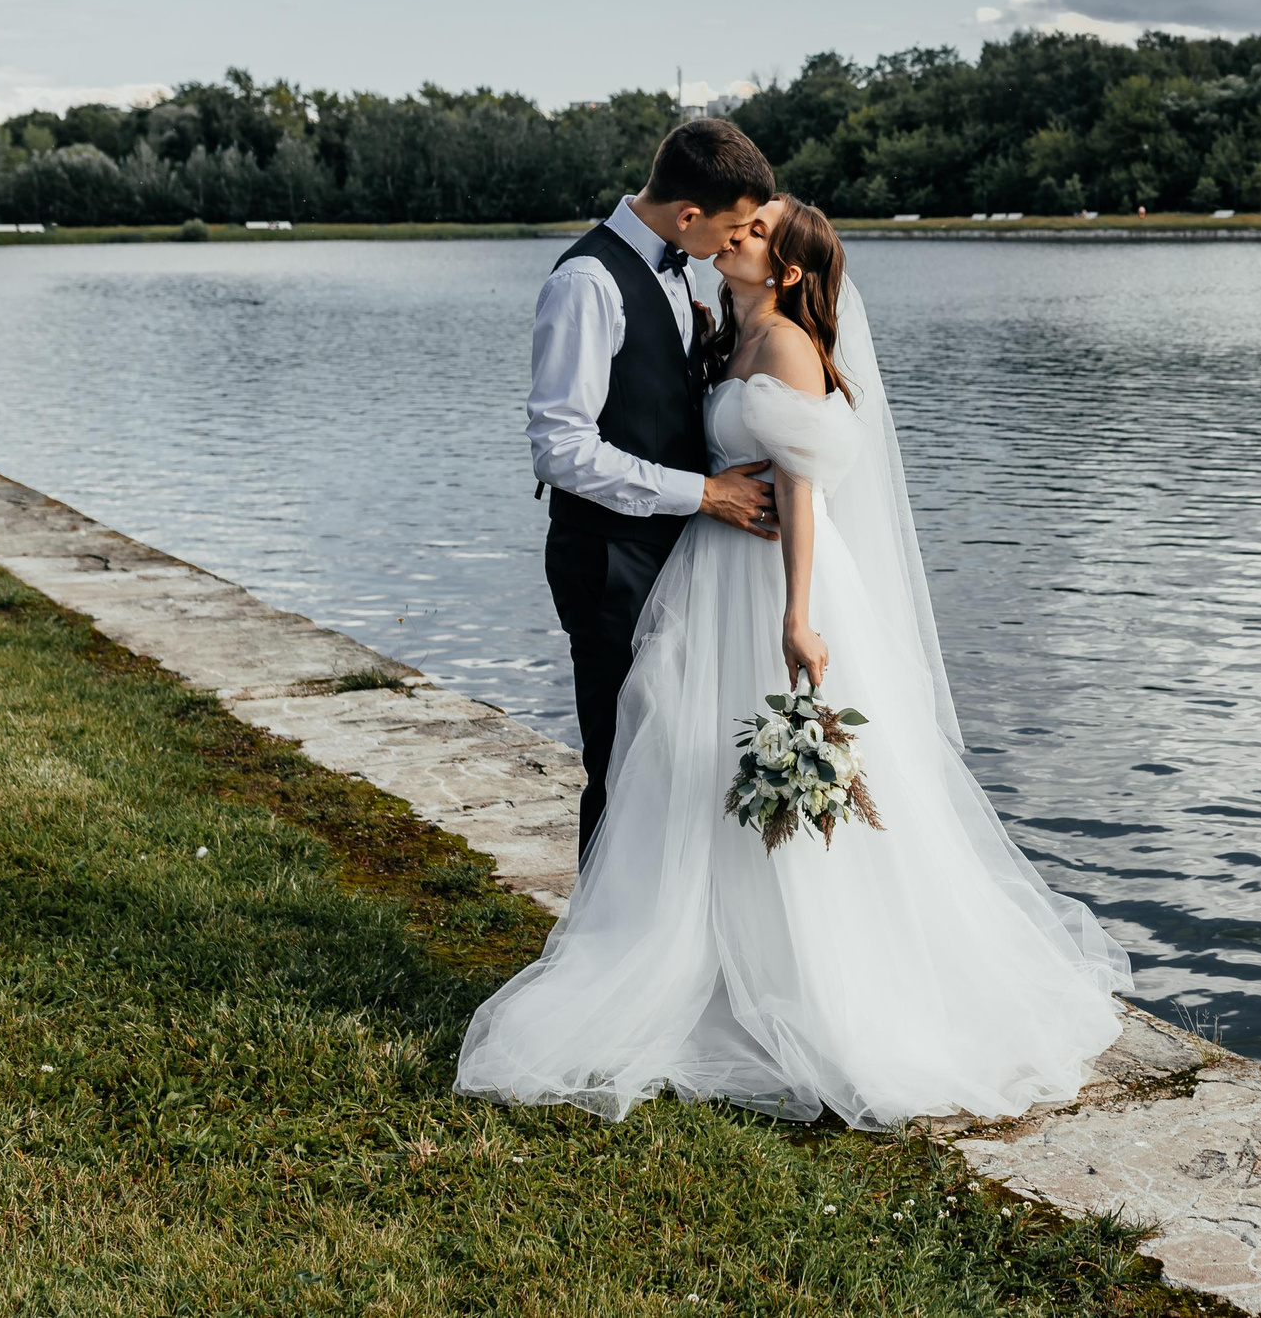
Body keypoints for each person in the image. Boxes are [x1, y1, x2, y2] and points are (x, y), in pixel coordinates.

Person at [460, 204, 1130, 1126]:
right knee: (687, 761)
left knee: (764, 772)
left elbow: (802, 491)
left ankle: (807, 980)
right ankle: (701, 963)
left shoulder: (788, 350)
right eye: (739, 220)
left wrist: (798, 613)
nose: (736, 232)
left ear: (783, 269)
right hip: (708, 568)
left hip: (771, 577)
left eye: (758, 229)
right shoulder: (725, 328)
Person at [529, 118, 781, 861]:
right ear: (689, 215)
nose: (733, 244)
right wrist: (706, 494)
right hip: (608, 558)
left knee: (675, 757)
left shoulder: (680, 274)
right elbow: (561, 448)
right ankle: (595, 953)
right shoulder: (586, 282)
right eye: (731, 228)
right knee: (620, 761)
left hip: (668, 554)